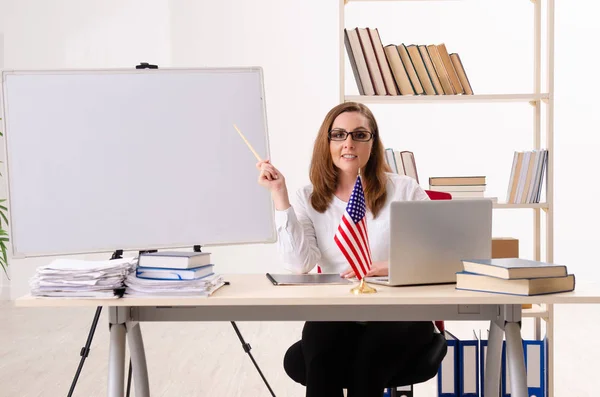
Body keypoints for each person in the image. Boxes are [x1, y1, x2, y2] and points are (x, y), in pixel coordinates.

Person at [256, 102, 435, 397]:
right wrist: (280, 197)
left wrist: (389, 266)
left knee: (369, 360)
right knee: (321, 353)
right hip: (337, 309)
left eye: (359, 134)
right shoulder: (307, 197)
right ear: (326, 143)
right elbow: (299, 264)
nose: (348, 143)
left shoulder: (404, 189)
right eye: (338, 134)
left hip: (398, 311)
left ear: (373, 142)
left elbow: (437, 252)